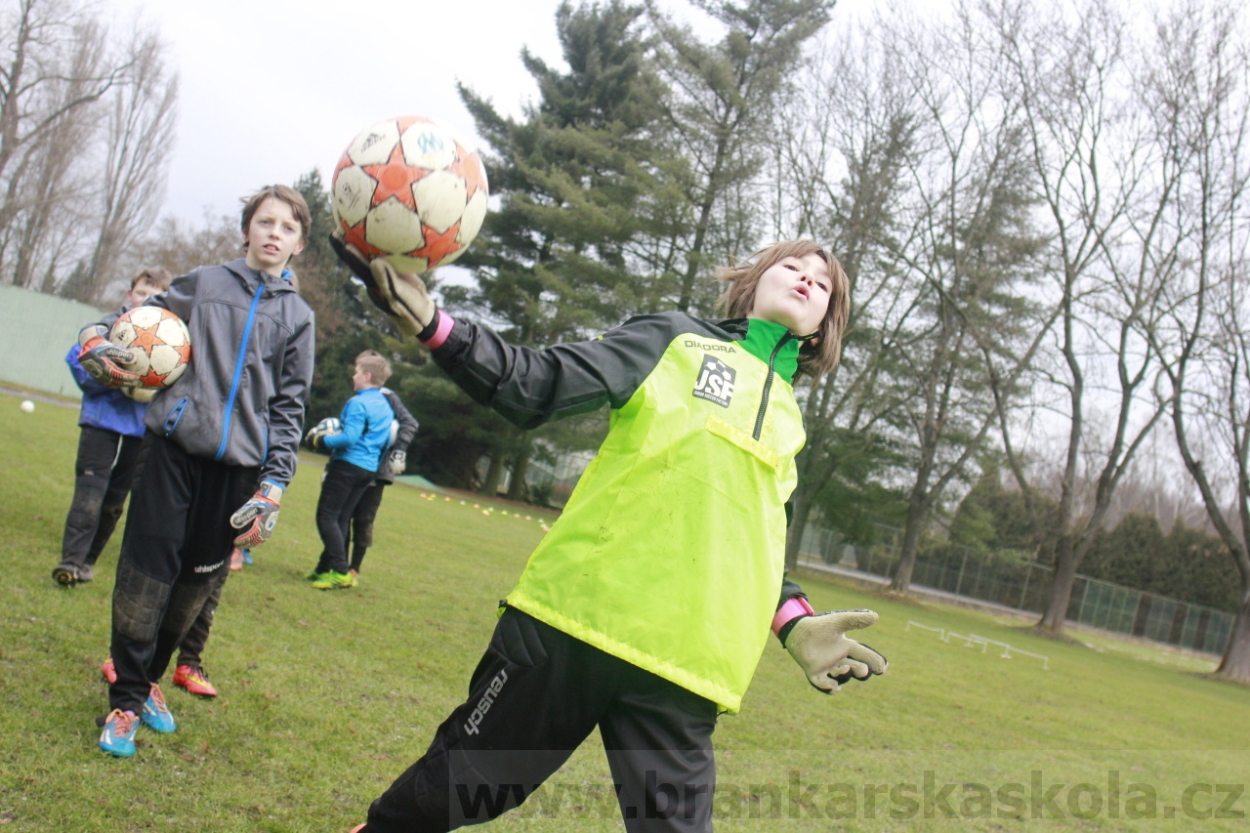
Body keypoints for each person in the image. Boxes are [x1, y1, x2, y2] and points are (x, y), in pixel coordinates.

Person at [330, 236, 888, 833]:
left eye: (824, 283)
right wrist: (441, 330)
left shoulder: (790, 422)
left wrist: (795, 623)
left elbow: (759, 546)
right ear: (754, 280)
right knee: (458, 791)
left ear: (825, 322)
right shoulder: (674, 341)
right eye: (793, 265)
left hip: (685, 667)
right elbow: (540, 381)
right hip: (571, 627)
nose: (807, 278)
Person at [80, 184, 315, 757]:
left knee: (189, 591)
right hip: (172, 456)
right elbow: (143, 318)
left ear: (299, 245)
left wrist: (275, 483)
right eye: (264, 222)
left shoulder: (299, 318)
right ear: (246, 230)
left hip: (237, 474)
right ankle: (126, 702)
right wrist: (95, 335)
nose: (273, 233)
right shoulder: (206, 283)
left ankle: (150, 677)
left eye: (286, 227)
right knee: (145, 577)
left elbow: (289, 408)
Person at [52, 268, 171, 587]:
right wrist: (111, 378)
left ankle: (88, 561)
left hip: (140, 428)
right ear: (130, 294)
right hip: (101, 419)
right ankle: (70, 561)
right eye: (143, 292)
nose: (147, 299)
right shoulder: (105, 327)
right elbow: (79, 362)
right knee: (89, 493)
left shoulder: (169, 339)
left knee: (115, 501)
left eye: (156, 295)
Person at [305, 350, 396, 589]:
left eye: (356, 372)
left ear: (366, 376)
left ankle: (342, 572)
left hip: (347, 466)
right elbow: (386, 440)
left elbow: (349, 437)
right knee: (341, 518)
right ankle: (323, 570)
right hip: (368, 470)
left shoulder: (358, 403)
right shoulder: (385, 406)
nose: (353, 376)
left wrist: (319, 441)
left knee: (326, 517)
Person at [348, 386, 418, 577]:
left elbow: (409, 423)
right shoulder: (357, 398)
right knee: (341, 517)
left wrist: (399, 450)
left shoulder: (387, 396)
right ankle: (337, 562)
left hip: (377, 473)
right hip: (350, 465)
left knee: (364, 519)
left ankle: (354, 568)